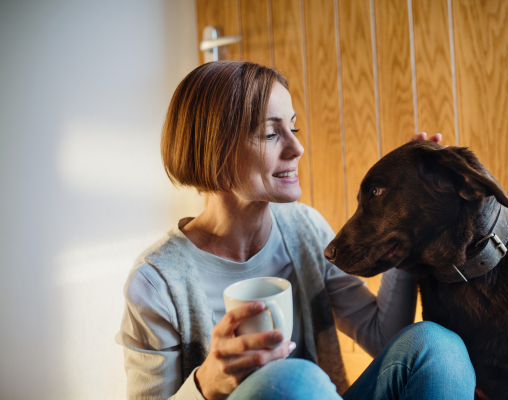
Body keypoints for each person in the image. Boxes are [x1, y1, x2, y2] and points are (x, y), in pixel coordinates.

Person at [115, 60, 476, 400]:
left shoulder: (305, 228)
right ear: (215, 151)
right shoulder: (156, 283)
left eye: (294, 127)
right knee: (294, 380)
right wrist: (206, 383)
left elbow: (383, 336)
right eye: (272, 134)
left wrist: (404, 223)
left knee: (437, 346)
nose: (298, 147)